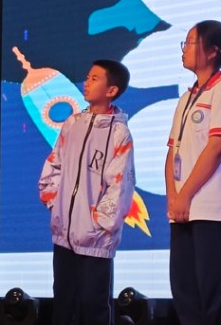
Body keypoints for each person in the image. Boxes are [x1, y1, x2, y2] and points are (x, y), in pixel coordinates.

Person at [39, 59, 136, 325]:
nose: (86, 82)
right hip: (64, 237)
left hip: (95, 241)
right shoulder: (72, 123)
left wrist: (98, 223)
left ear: (111, 90)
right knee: (63, 306)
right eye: (87, 76)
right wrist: (56, 204)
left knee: (94, 308)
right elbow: (54, 164)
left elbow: (120, 186)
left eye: (95, 78)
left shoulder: (119, 133)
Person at [165, 20, 221, 325]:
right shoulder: (186, 98)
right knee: (185, 294)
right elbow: (172, 151)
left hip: (213, 208)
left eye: (190, 42)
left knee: (216, 296)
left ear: (213, 51)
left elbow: (216, 147)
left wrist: (184, 195)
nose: (184, 49)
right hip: (183, 209)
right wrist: (174, 198)